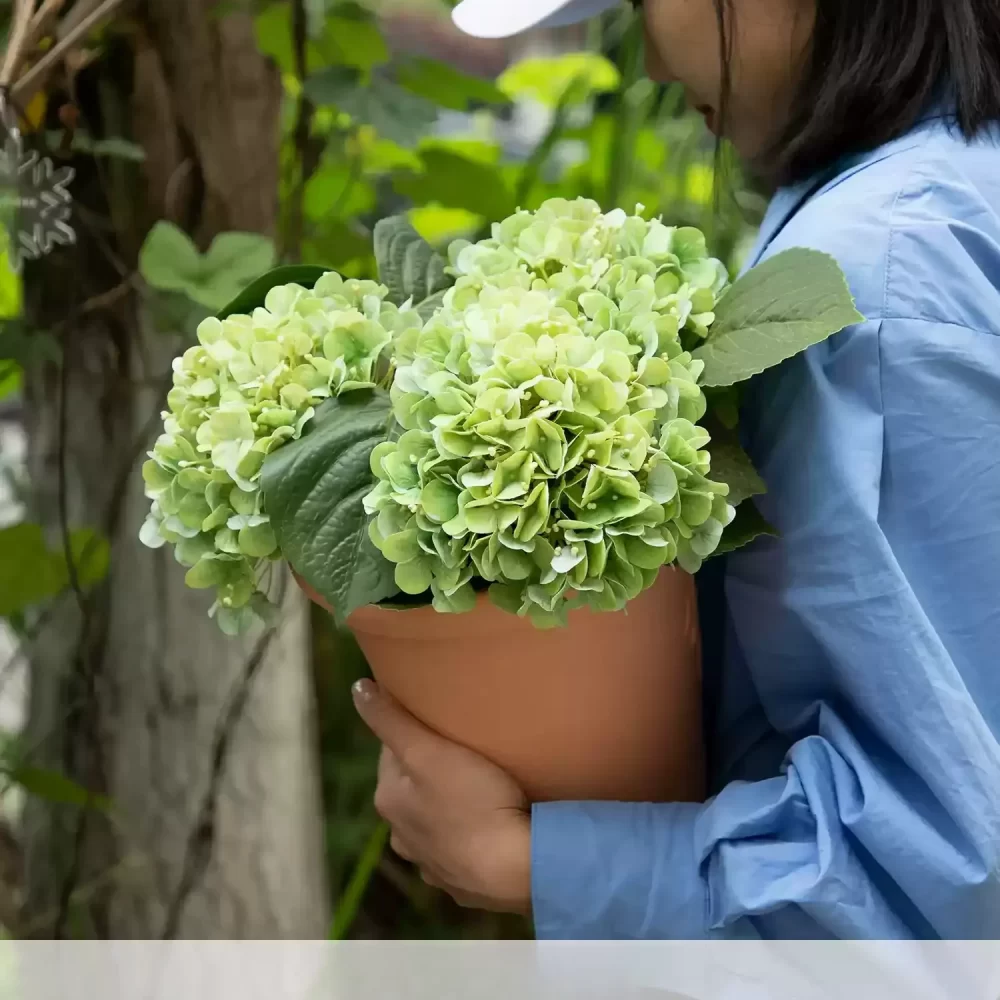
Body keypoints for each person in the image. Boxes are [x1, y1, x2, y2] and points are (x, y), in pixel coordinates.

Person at [352, 0, 1000, 939]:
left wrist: (530, 862)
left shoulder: (875, 282)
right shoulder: (955, 197)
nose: (649, 63)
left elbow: (945, 884)